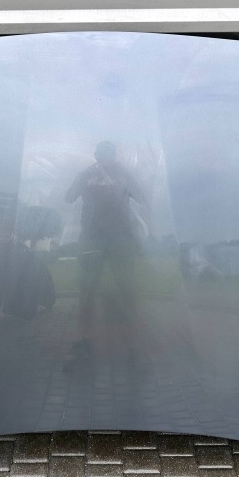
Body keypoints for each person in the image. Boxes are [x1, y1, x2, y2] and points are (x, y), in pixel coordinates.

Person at [65, 141, 145, 343]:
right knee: (87, 290)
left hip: (120, 239)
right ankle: (85, 340)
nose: (106, 159)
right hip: (93, 239)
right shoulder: (86, 175)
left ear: (114, 156)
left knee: (127, 288)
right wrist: (84, 175)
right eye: (102, 155)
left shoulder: (123, 174)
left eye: (109, 155)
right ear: (96, 156)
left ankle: (133, 340)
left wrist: (126, 176)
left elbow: (141, 197)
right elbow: (69, 197)